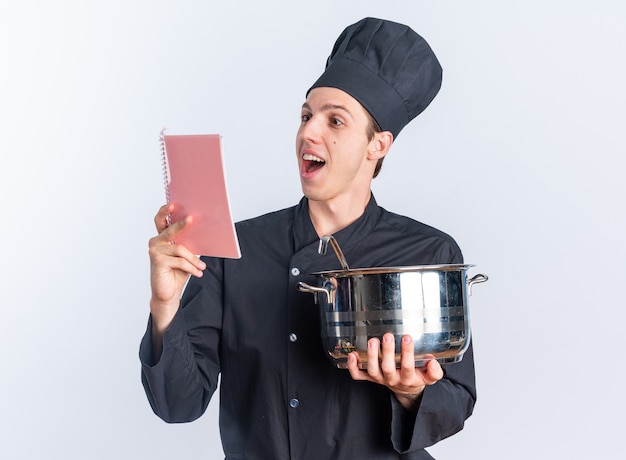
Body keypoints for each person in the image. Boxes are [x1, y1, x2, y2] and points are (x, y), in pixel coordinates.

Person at [140, 17, 476, 460]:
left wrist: (411, 392)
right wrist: (164, 306)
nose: (308, 133)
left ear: (378, 145)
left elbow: (457, 401)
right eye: (306, 115)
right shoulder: (235, 250)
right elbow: (178, 406)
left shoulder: (428, 254)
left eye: (335, 121)